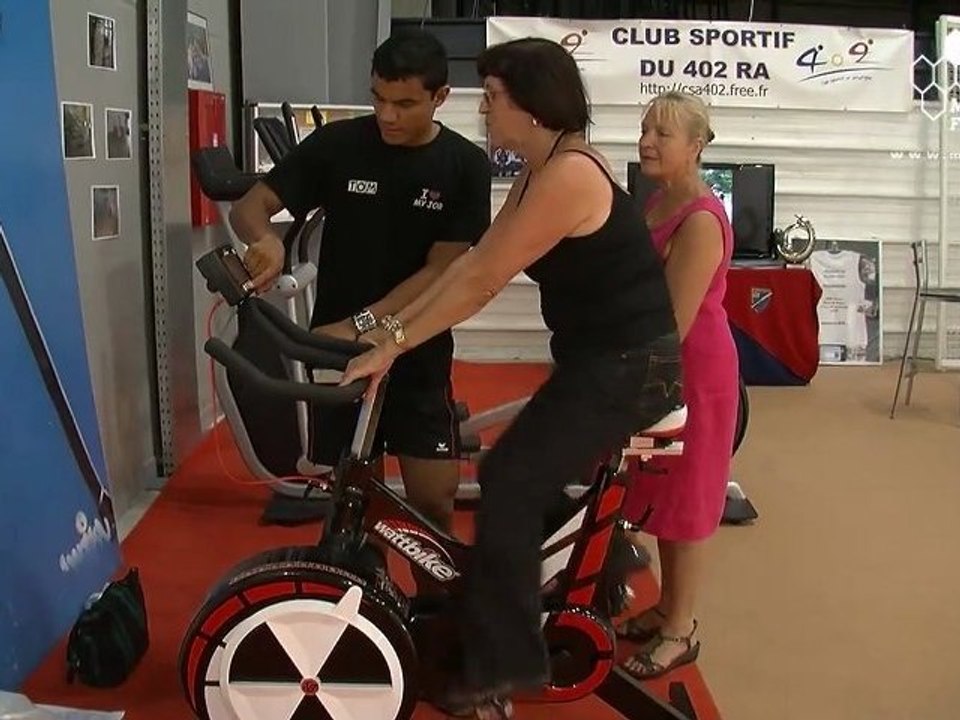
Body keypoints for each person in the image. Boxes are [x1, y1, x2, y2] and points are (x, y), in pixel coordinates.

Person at [340, 38, 684, 718]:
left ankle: (507, 665)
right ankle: (605, 568)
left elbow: (486, 283)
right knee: (515, 476)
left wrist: (395, 342)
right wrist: (392, 336)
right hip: (598, 360)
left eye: (492, 99)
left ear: (531, 105)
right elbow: (471, 267)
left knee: (510, 480)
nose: (484, 113)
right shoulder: (538, 170)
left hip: (631, 367)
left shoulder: (569, 176)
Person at [231, 28, 492, 533]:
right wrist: (265, 239)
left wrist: (362, 323)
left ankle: (435, 607)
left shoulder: (465, 166)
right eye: (378, 99)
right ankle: (362, 604)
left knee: (432, 508)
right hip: (338, 355)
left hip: (415, 348)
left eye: (404, 103)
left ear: (440, 97)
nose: (387, 115)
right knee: (353, 508)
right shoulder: (338, 145)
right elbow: (250, 208)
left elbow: (442, 270)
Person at [615, 91, 740, 679]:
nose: (646, 141)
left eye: (662, 133)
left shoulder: (700, 220)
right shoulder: (660, 201)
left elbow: (673, 321)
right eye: (644, 129)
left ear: (696, 146)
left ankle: (681, 630)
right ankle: (666, 606)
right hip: (660, 371)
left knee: (687, 501)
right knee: (660, 494)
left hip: (690, 377)